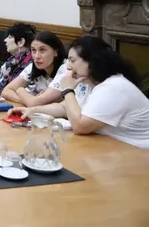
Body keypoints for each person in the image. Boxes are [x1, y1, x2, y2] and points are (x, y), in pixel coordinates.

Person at [9, 36, 149, 149]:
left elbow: (80, 126)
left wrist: (68, 90)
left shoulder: (114, 87)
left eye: (72, 60)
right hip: (109, 147)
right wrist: (32, 111)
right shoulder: (88, 82)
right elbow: (65, 107)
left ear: (91, 61)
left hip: (137, 154)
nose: (68, 66)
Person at [1, 31, 65, 106]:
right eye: (34, 50)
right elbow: (5, 91)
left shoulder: (65, 69)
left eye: (42, 50)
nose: (37, 56)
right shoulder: (33, 66)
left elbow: (34, 103)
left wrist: (20, 90)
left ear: (56, 52)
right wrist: (27, 100)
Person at [0, 23, 36, 95]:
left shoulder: (33, 65)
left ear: (21, 42)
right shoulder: (11, 61)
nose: (5, 40)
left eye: (10, 37)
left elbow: (29, 94)